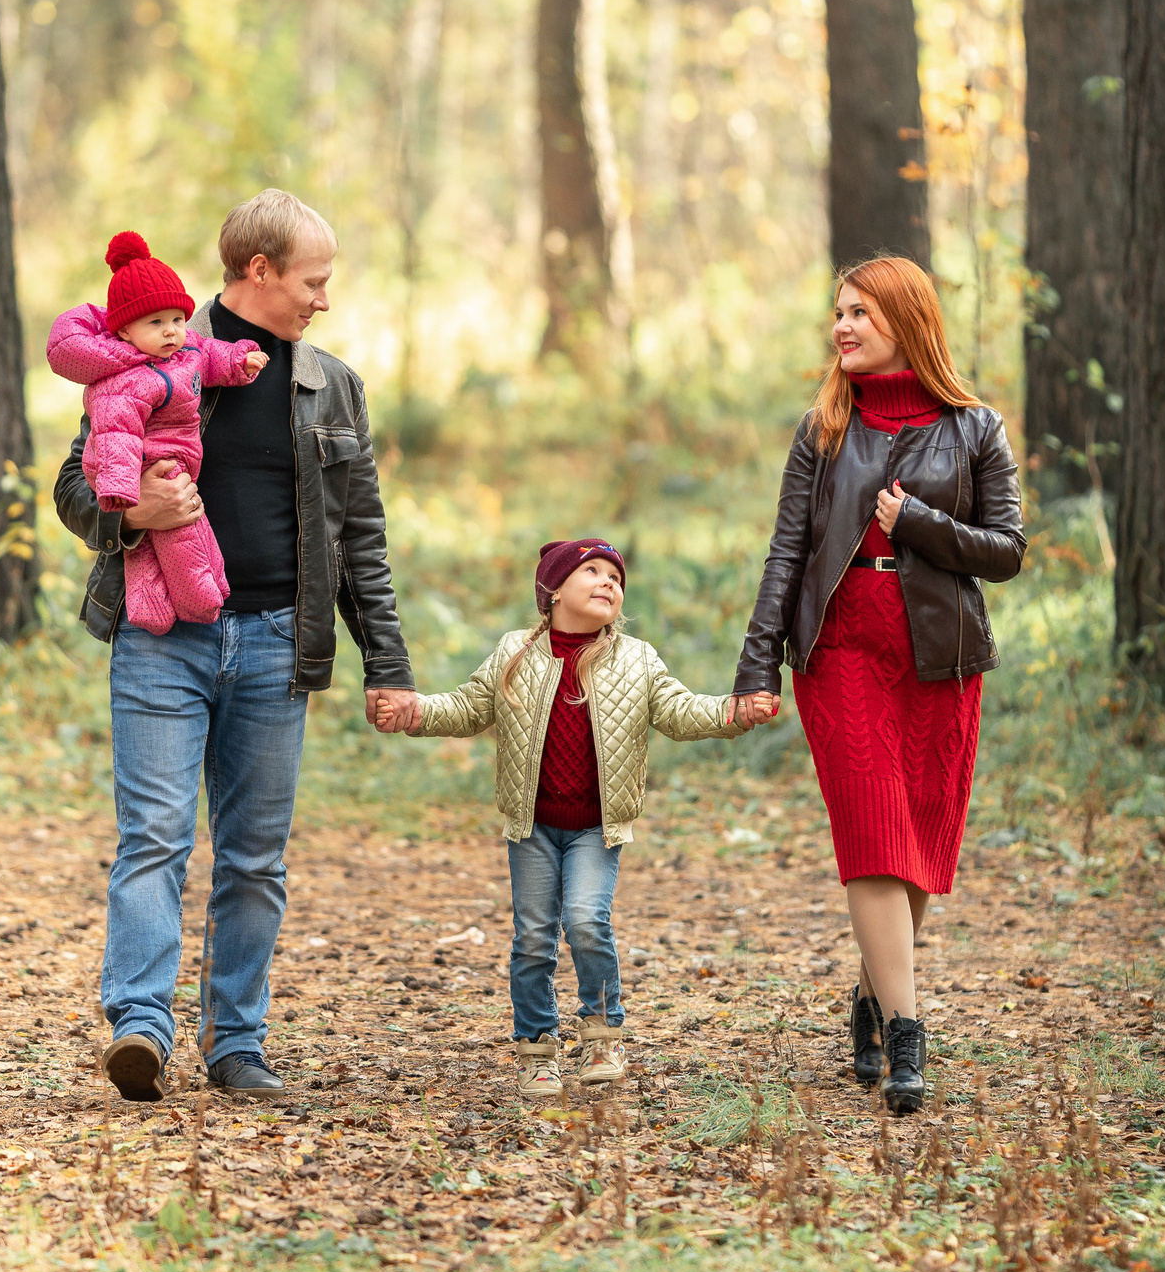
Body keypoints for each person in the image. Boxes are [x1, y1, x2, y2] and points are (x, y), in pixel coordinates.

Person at [52, 190, 415, 1100]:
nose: (323, 299)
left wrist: (387, 663)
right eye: (312, 280)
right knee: (156, 838)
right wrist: (128, 510)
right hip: (161, 637)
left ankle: (235, 1044)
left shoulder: (331, 385)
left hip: (274, 646)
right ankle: (139, 1027)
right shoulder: (161, 350)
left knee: (254, 856)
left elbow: (359, 536)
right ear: (259, 271)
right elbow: (72, 484)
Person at [730, 257, 1026, 1116]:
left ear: (907, 318)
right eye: (838, 312)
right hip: (843, 648)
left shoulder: (975, 428)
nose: (843, 326)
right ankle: (906, 1028)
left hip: (940, 655)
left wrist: (921, 523)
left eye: (861, 311)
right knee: (874, 832)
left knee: (921, 845)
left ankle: (870, 994)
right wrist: (758, 666)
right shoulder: (823, 427)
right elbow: (787, 551)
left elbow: (1006, 550)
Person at [374, 539, 754, 1100]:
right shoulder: (514, 653)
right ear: (552, 591)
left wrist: (732, 710)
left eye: (615, 578)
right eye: (592, 572)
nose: (608, 583)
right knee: (532, 938)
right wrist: (413, 712)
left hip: (597, 827)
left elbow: (679, 710)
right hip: (532, 826)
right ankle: (536, 1049)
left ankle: (602, 1036)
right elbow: (466, 707)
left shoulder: (637, 660)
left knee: (585, 920)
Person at [44, 232, 267, 633]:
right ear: (125, 331)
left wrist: (241, 359)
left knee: (157, 545)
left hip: (170, 463)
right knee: (179, 537)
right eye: (156, 322)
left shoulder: (183, 353)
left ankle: (158, 608)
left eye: (177, 320)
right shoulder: (122, 378)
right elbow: (117, 433)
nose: (171, 331)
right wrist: (123, 493)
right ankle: (199, 601)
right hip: (141, 471)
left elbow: (211, 356)